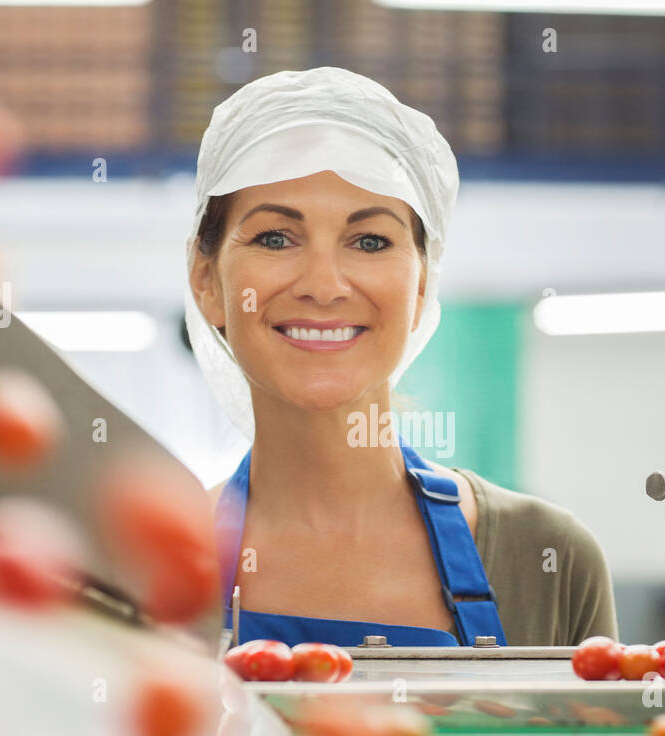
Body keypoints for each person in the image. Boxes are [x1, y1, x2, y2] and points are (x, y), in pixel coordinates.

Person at [185, 67, 616, 647]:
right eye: (275, 238)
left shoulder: (548, 558)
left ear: (420, 288)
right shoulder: (146, 566)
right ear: (207, 280)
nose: (324, 284)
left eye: (370, 242)